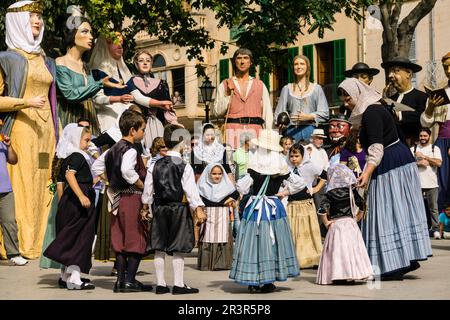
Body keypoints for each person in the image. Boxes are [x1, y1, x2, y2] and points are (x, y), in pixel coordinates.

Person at [338, 78, 432, 280]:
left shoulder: (371, 111)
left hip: (390, 162)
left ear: (357, 93)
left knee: (384, 211)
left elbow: (377, 147)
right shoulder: (374, 109)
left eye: (348, 98)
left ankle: (391, 264)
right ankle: (401, 259)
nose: (347, 103)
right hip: (396, 160)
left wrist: (366, 172)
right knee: (394, 211)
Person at [0, 1, 59, 259]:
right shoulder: (7, 58)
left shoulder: (45, 59)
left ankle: (42, 243)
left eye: (39, 16)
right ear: (17, 21)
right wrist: (26, 101)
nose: (37, 20)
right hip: (22, 129)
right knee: (23, 184)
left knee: (43, 182)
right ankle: (19, 245)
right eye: (31, 16)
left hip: (47, 133)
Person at [231, 129, 304, 293]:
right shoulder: (280, 168)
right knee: (274, 242)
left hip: (256, 207)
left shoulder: (254, 166)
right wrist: (284, 192)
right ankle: (269, 280)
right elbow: (299, 184)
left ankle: (253, 279)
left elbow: (241, 186)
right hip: (273, 207)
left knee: (254, 242)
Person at [142, 124, 206, 295]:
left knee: (159, 247)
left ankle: (161, 284)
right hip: (178, 208)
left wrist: (145, 206)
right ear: (182, 142)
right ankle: (178, 284)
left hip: (160, 208)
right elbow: (191, 191)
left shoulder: (154, 165)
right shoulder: (183, 165)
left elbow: (148, 190)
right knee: (178, 247)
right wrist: (198, 208)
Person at [101, 110, 151, 293]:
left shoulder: (111, 150)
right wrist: (140, 185)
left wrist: (111, 181)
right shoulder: (130, 149)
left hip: (116, 197)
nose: (144, 133)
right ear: (132, 130)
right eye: (143, 129)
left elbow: (96, 167)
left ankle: (120, 281)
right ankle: (129, 279)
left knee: (120, 238)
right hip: (131, 197)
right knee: (137, 237)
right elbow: (127, 171)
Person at [56, 6, 122, 136]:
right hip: (70, 118)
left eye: (91, 33)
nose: (91, 37)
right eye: (85, 32)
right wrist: (100, 84)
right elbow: (71, 95)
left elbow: (92, 94)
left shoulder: (85, 66)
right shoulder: (60, 62)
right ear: (72, 34)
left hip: (89, 116)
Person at [43, 126, 96, 290]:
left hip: (69, 201)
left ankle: (65, 276)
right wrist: (81, 195)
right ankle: (75, 278)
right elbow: (69, 175)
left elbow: (60, 183)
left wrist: (62, 203)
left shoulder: (65, 157)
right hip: (78, 201)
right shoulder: (78, 156)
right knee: (80, 238)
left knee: (70, 237)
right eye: (86, 140)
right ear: (75, 138)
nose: (88, 144)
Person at [316, 164, 373, 285]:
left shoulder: (329, 193)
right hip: (350, 223)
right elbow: (362, 204)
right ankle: (353, 274)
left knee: (338, 251)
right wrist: (358, 216)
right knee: (352, 249)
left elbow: (322, 210)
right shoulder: (351, 190)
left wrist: (326, 223)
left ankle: (338, 275)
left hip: (336, 225)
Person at [213, 48, 273, 149]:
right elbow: (217, 112)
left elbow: (268, 113)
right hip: (232, 131)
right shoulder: (225, 84)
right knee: (233, 163)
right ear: (234, 62)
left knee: (254, 163)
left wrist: (268, 135)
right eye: (239, 58)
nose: (242, 61)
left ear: (251, 62)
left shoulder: (260, 85)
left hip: (256, 131)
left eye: (245, 58)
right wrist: (228, 96)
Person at [127, 49, 182, 149]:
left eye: (148, 61)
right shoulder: (130, 83)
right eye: (141, 60)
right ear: (135, 63)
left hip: (156, 125)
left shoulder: (161, 84)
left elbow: (168, 108)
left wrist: (174, 123)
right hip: (137, 127)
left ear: (151, 64)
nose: (145, 63)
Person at [286, 143, 325, 268]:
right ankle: (295, 258)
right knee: (293, 231)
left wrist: (316, 188)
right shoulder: (288, 167)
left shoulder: (310, 166)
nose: (294, 159)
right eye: (291, 156)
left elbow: (324, 175)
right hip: (292, 204)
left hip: (306, 203)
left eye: (297, 156)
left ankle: (312, 257)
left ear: (303, 156)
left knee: (307, 231)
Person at [274, 55, 329, 142]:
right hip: (291, 131)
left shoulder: (316, 88)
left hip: (311, 130)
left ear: (307, 67)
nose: (299, 67)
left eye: (302, 64)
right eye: (296, 64)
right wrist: (281, 123)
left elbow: (325, 113)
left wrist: (308, 116)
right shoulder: (287, 88)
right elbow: (279, 113)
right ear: (293, 68)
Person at [420, 52, 450, 212]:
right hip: (441, 141)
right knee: (441, 181)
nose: (449, 70)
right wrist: (431, 107)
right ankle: (442, 221)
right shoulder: (439, 93)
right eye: (446, 67)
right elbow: (425, 122)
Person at [197, 163, 239, 271]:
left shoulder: (227, 186)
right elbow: (197, 199)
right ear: (208, 174)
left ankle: (222, 263)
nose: (217, 176)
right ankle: (206, 264)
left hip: (222, 216)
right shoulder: (202, 186)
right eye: (214, 173)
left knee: (222, 236)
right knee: (208, 237)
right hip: (208, 216)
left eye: (220, 174)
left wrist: (228, 201)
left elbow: (236, 195)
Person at [89, 33, 134, 132]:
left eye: (121, 43)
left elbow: (136, 95)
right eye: (113, 42)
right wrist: (118, 99)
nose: (120, 46)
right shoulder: (97, 71)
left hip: (128, 123)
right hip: (109, 121)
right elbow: (97, 99)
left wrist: (157, 103)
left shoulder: (125, 72)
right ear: (104, 45)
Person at [381, 56, 427, 146]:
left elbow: (423, 117)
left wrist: (399, 115)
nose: (390, 75)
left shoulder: (421, 97)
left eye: (395, 71)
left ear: (409, 73)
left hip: (413, 145)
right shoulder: (391, 99)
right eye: (390, 71)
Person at [0, 119, 27, 266]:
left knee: (10, 222)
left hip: (5, 190)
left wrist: (9, 147)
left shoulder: (2, 143)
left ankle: (14, 254)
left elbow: (13, 160)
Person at [410, 128, 442, 239]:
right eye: (421, 136)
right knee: (416, 208)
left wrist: (425, 157)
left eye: (425, 136)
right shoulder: (413, 149)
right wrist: (418, 163)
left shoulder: (435, 148)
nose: (423, 138)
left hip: (431, 184)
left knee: (433, 208)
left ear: (429, 136)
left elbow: (439, 163)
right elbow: (407, 166)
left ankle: (436, 230)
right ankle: (419, 230)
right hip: (416, 184)